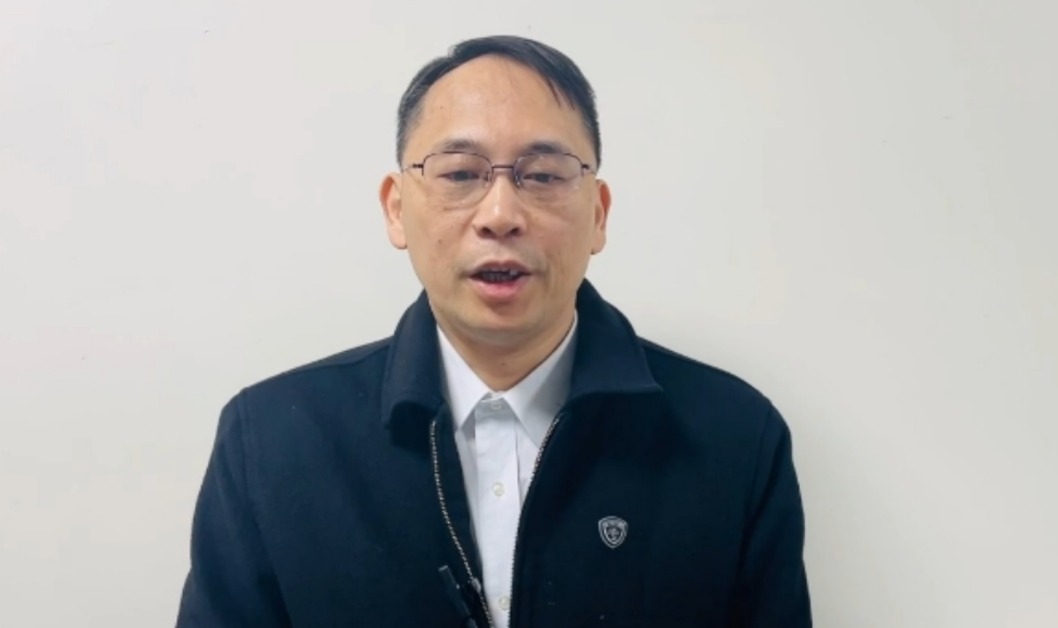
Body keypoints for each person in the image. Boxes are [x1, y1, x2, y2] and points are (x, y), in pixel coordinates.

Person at [176, 35, 812, 627]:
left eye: (543, 175)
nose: (501, 214)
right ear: (397, 209)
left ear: (598, 214)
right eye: (460, 174)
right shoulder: (273, 443)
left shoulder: (732, 439)